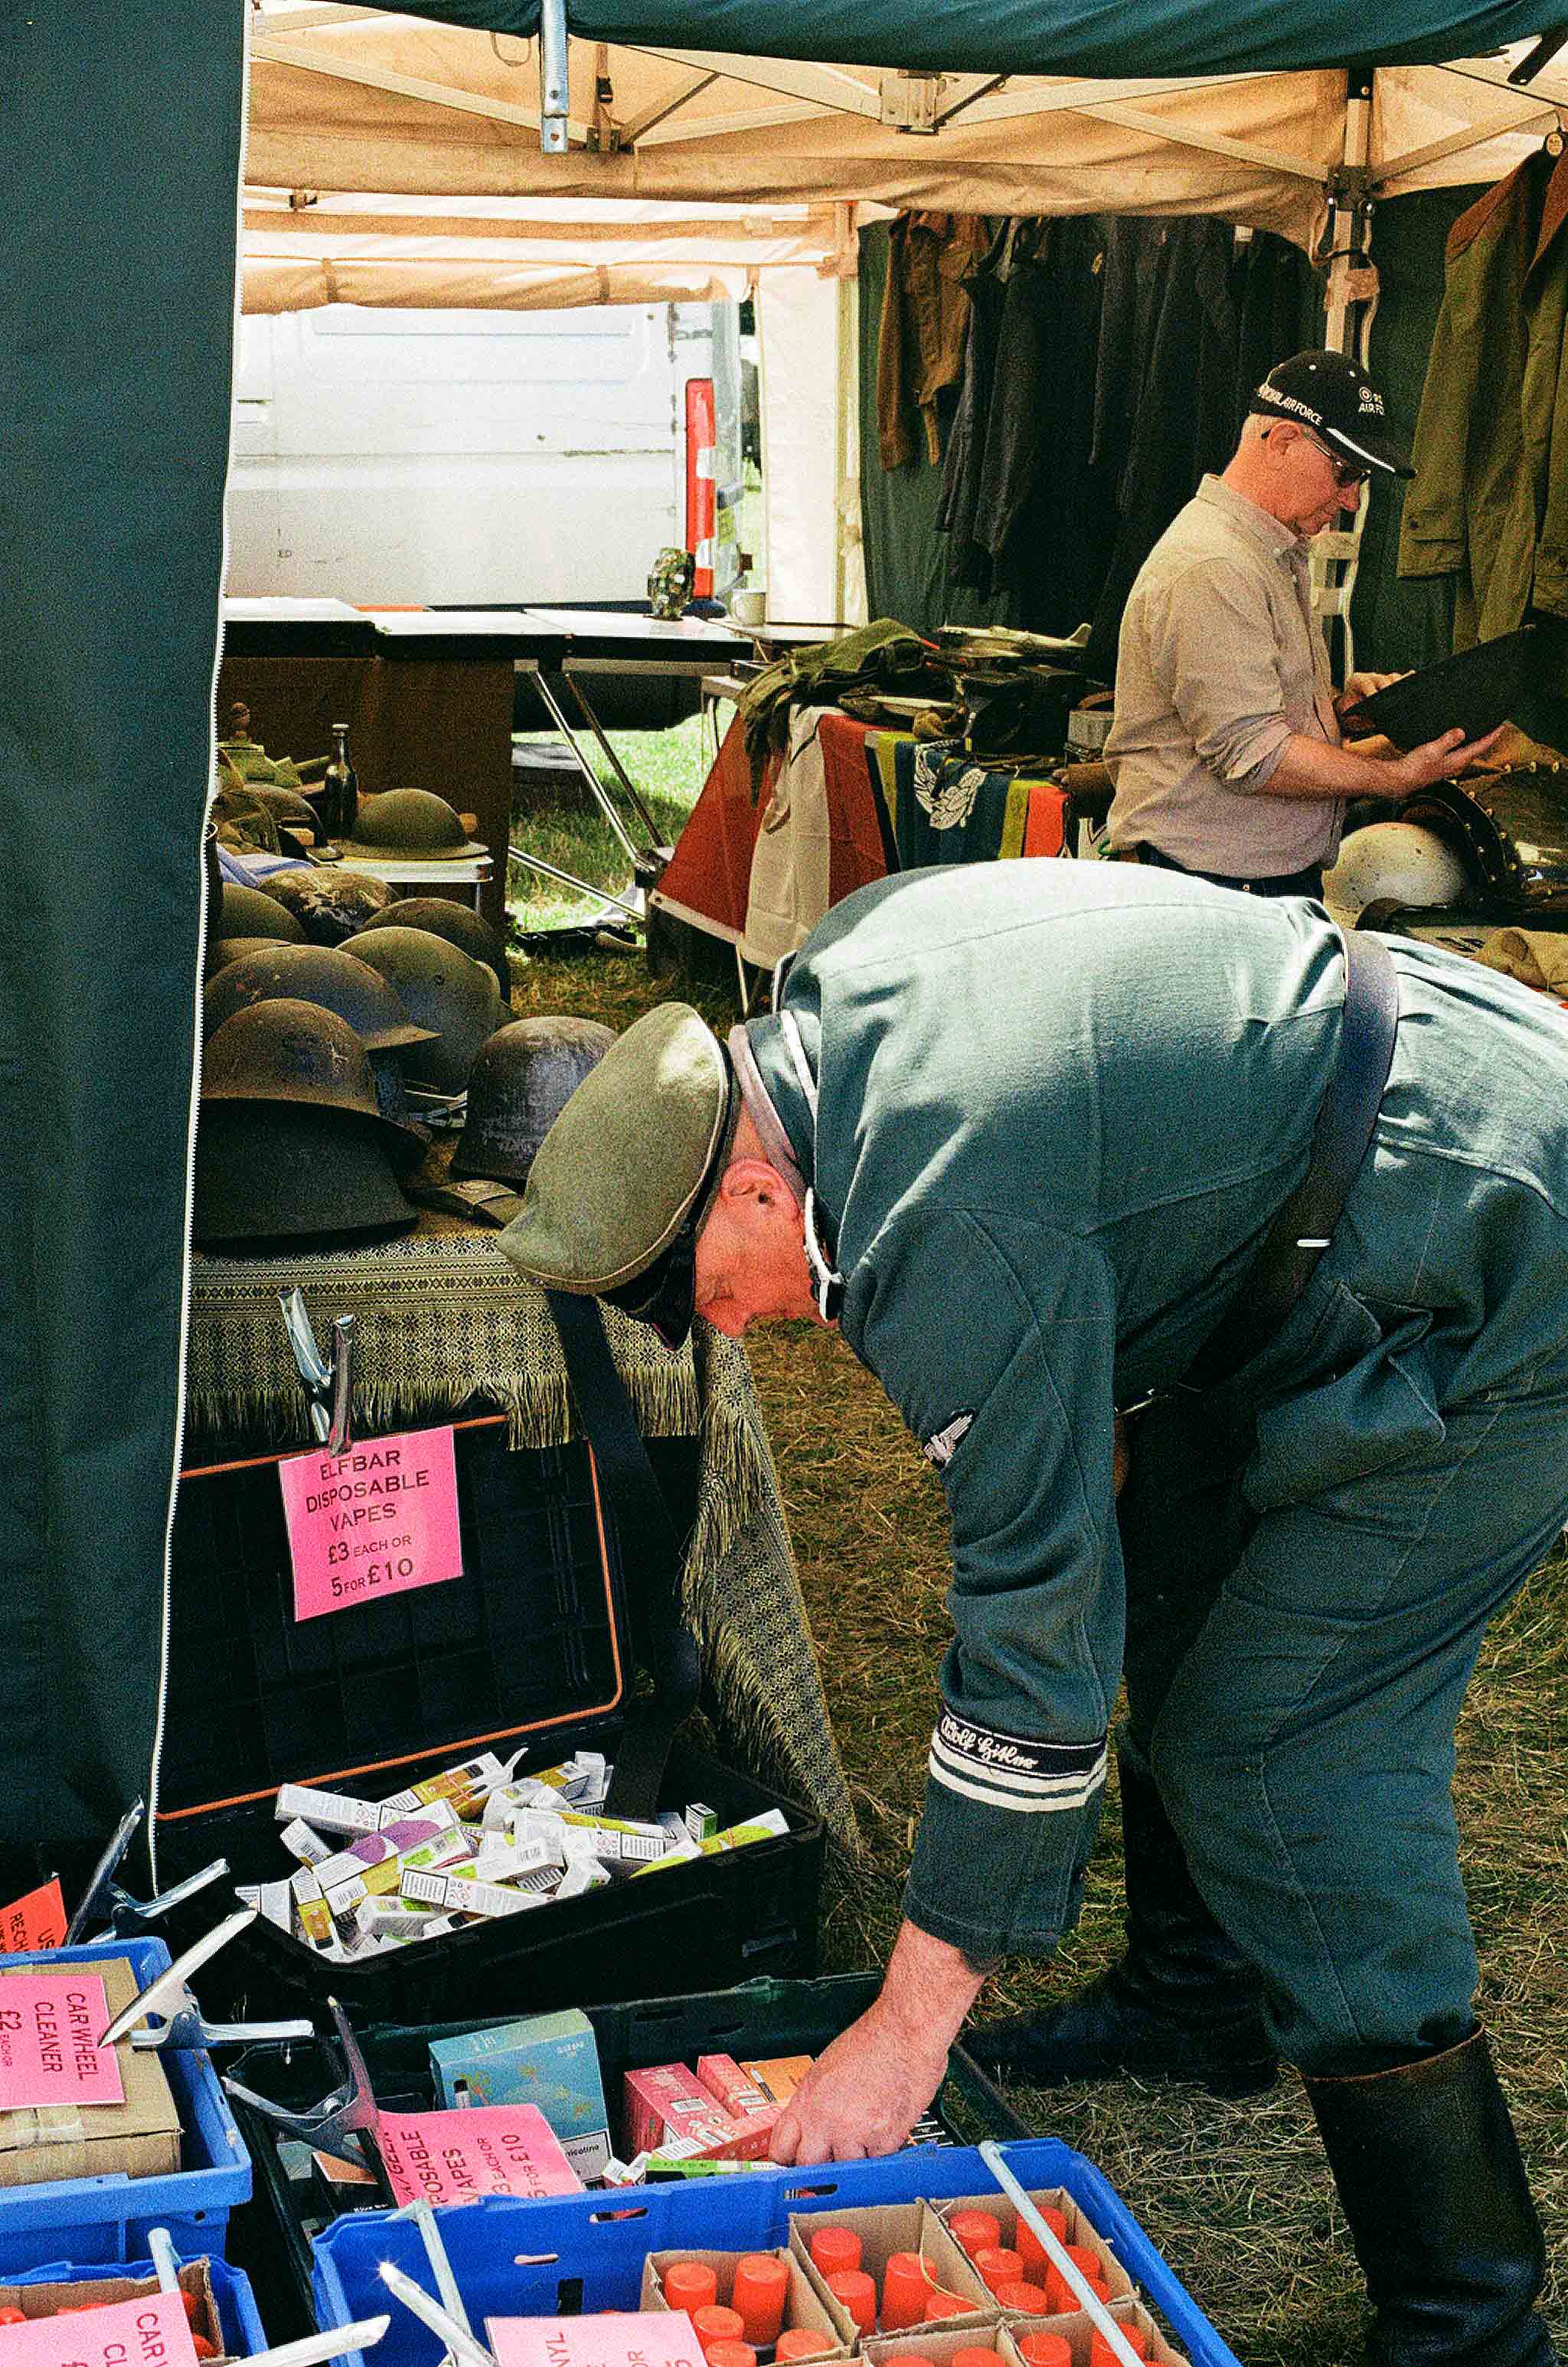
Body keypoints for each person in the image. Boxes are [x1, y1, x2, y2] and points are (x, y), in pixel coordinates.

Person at [501, 862, 1568, 2366]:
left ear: (751, 1188)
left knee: (1277, 1750)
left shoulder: (945, 1212)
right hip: (1325, 1191)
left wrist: (906, 2029)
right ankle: (1200, 2008)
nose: (726, 1326)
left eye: (695, 1296)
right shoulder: (834, 1001)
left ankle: (1473, 2323)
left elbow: (1030, 1620)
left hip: (1500, 1248)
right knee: (1169, 1588)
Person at [1105, 349, 1501, 897]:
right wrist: (1395, 778)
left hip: (1240, 882)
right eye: (1345, 472)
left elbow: (1258, 713)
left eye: (1360, 478)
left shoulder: (1268, 551)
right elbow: (1254, 755)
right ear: (1285, 441)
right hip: (1209, 887)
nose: (1351, 499)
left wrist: (1345, 712)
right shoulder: (1216, 565)